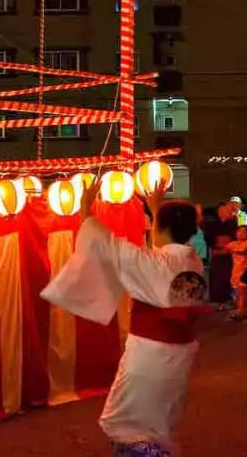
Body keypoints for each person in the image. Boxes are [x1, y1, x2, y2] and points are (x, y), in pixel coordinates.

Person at [41, 189, 206, 456]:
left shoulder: (151, 262)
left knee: (127, 422)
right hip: (180, 351)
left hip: (150, 354)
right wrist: (156, 209)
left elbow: (102, 243)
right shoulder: (192, 261)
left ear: (160, 228)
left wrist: (85, 208)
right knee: (160, 417)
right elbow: (160, 253)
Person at [227, 225, 247, 321]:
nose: (240, 233)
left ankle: (241, 312)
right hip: (236, 271)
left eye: (244, 232)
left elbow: (242, 251)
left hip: (245, 271)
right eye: (239, 231)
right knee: (239, 292)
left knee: (242, 293)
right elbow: (225, 249)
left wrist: (230, 249)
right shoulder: (233, 243)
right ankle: (240, 309)